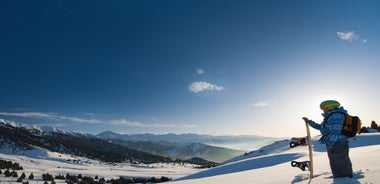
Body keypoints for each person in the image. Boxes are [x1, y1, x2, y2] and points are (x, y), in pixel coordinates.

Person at [302, 100, 353, 178]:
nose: (322, 109)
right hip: (336, 142)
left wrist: (330, 143)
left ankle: (343, 179)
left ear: (330, 107)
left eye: (323, 108)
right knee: (337, 161)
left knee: (339, 162)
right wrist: (309, 122)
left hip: (337, 143)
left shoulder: (335, 116)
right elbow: (321, 127)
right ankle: (342, 177)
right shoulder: (331, 116)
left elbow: (335, 132)